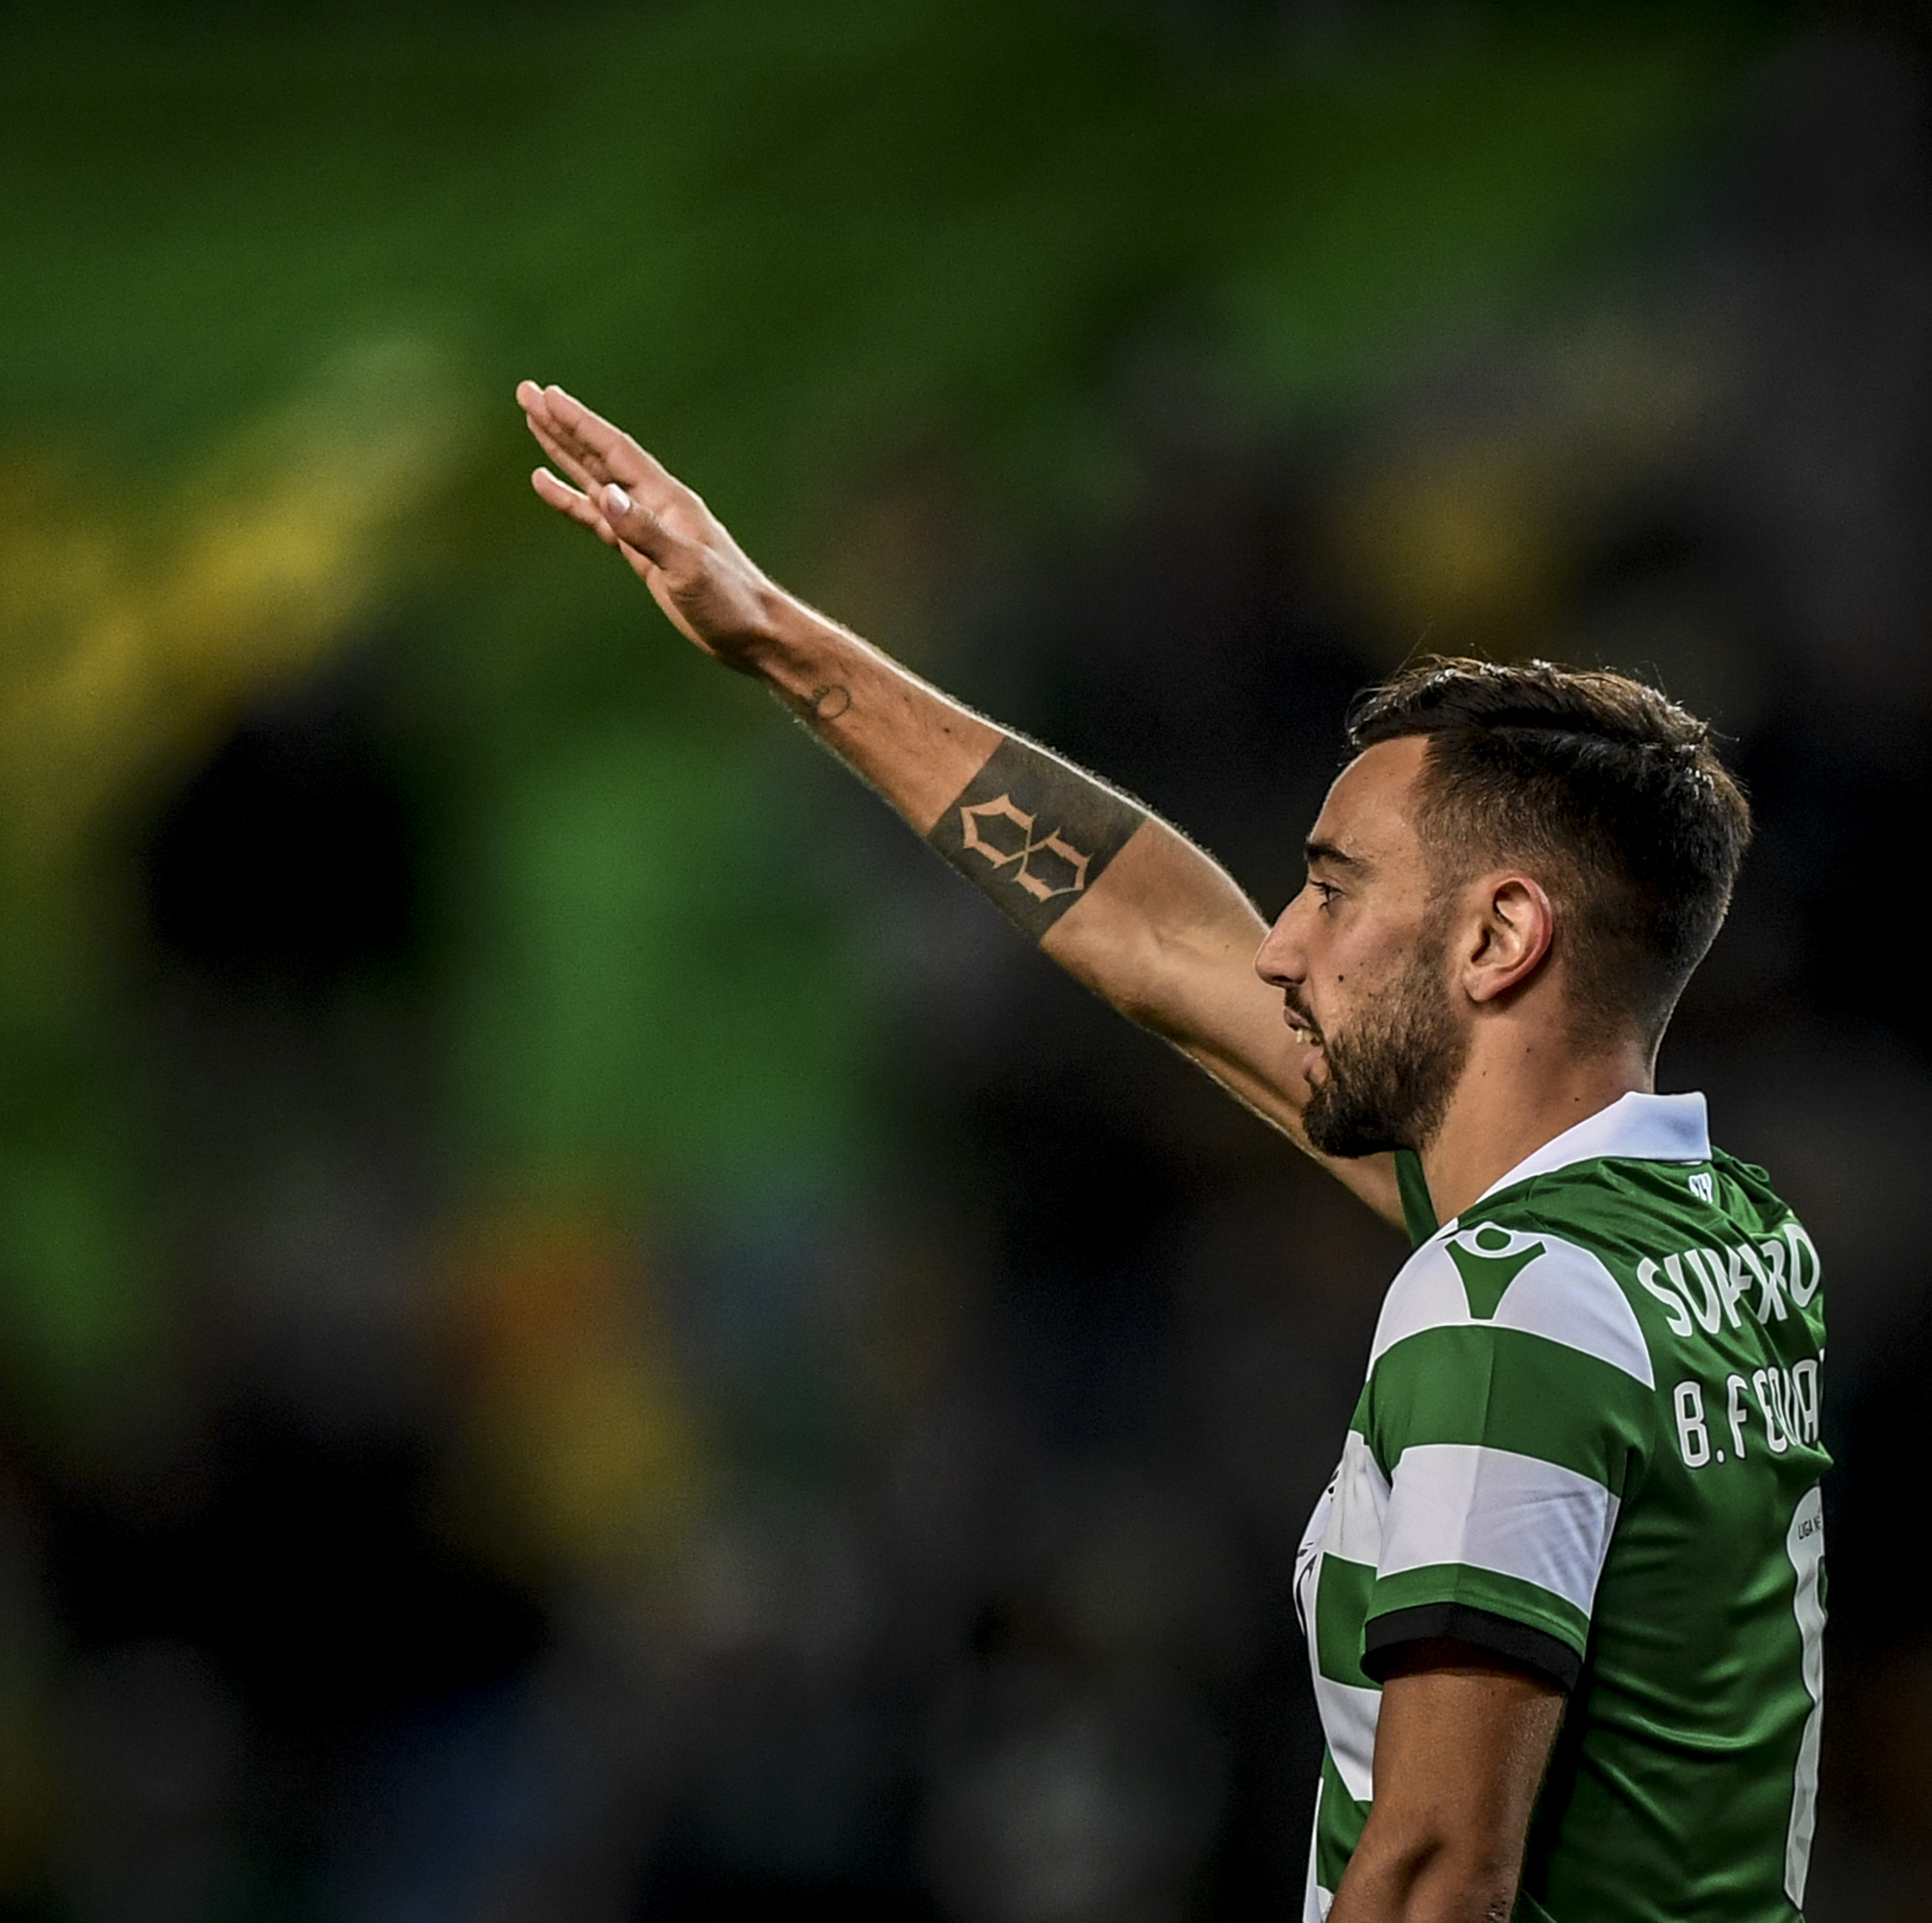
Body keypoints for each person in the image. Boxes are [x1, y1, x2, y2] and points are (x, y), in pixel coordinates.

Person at [516, 382, 1828, 1923]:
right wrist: (782, 643)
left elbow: (1432, 1873)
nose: (1279, 947)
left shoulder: (1505, 1312)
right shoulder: (1715, 1233)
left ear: (1498, 936)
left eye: (1335, 891)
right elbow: (1158, 937)